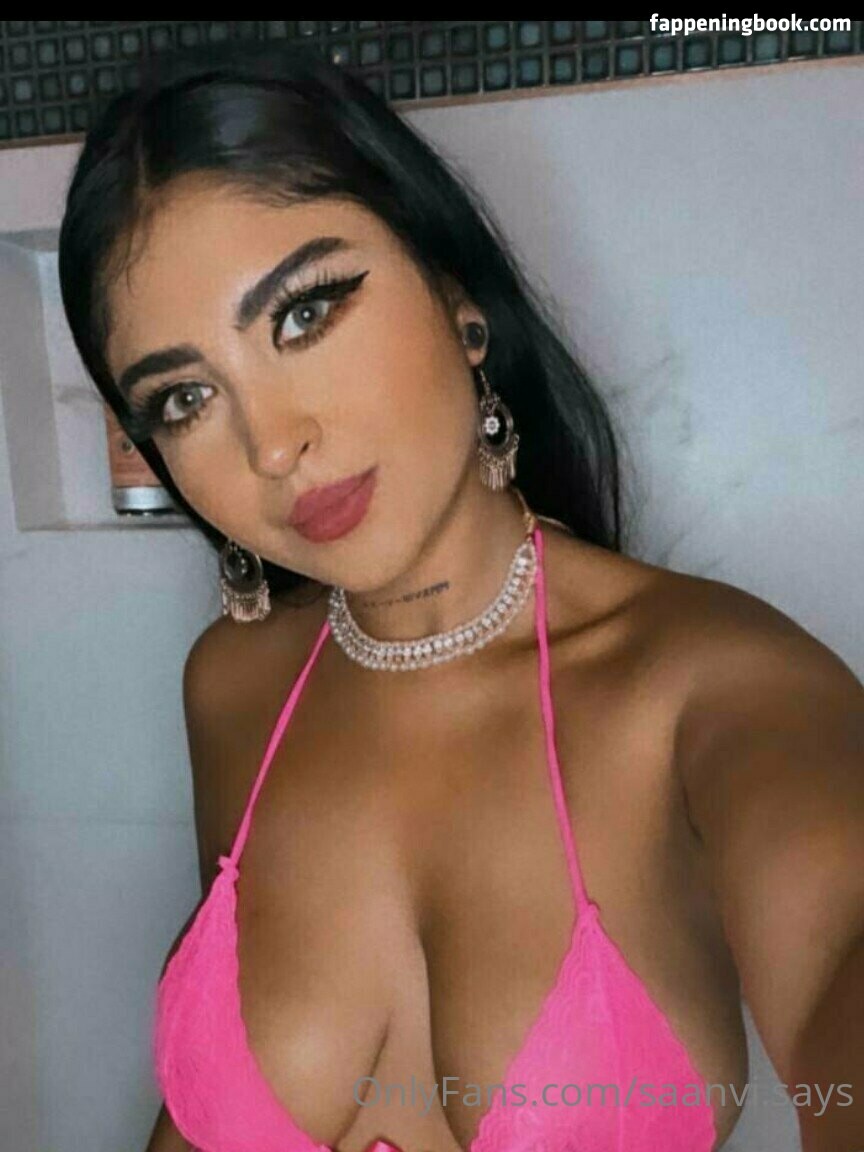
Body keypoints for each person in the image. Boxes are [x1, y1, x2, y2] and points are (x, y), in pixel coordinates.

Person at [58, 40, 864, 1152]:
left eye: (304, 315)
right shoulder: (235, 685)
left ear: (458, 301)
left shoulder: (711, 688)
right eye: (186, 398)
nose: (273, 444)